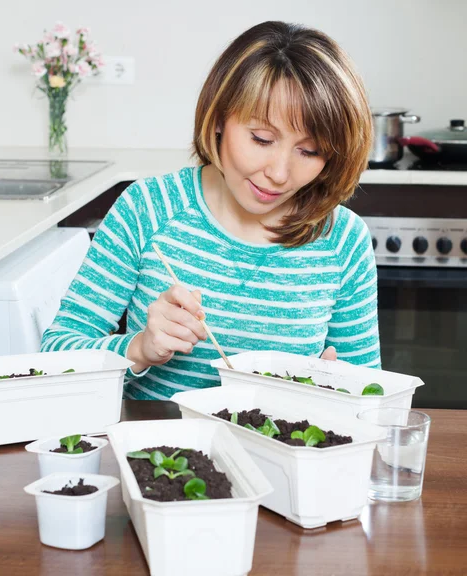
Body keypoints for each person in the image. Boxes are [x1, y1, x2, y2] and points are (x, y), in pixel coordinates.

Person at [41, 21, 380, 400]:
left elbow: (371, 396)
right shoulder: (148, 210)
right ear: (219, 118)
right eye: (262, 139)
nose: (279, 174)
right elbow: (55, 355)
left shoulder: (343, 241)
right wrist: (139, 349)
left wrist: (338, 392)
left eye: (310, 151)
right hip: (157, 452)